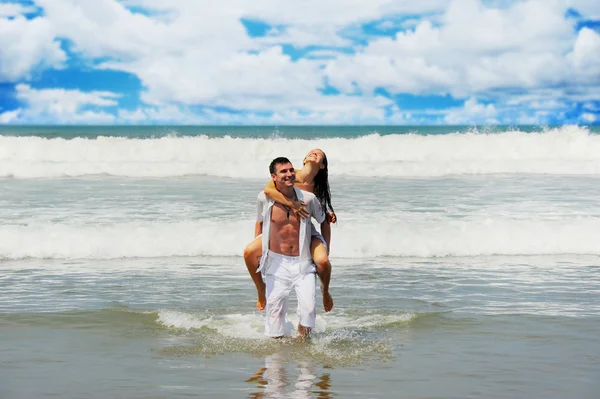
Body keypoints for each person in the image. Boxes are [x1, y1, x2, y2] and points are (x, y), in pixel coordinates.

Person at [244, 149, 336, 313]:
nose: (314, 153)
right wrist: (292, 204)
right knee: (249, 252)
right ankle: (260, 289)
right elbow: (268, 192)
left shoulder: (318, 187)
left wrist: (326, 246)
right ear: (304, 159)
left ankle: (325, 290)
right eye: (311, 152)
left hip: (306, 231)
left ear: (322, 165)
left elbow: (321, 216)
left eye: (319, 153)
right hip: (279, 232)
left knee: (322, 261)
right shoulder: (290, 175)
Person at [254, 157, 327, 338]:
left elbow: (323, 220)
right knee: (275, 316)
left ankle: (303, 344)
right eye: (283, 172)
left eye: (291, 170)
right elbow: (260, 222)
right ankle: (276, 358)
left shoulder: (308, 199)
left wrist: (326, 247)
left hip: (303, 262)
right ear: (273, 177)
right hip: (276, 263)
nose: (289, 174)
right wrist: (259, 246)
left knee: (309, 310)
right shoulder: (264, 199)